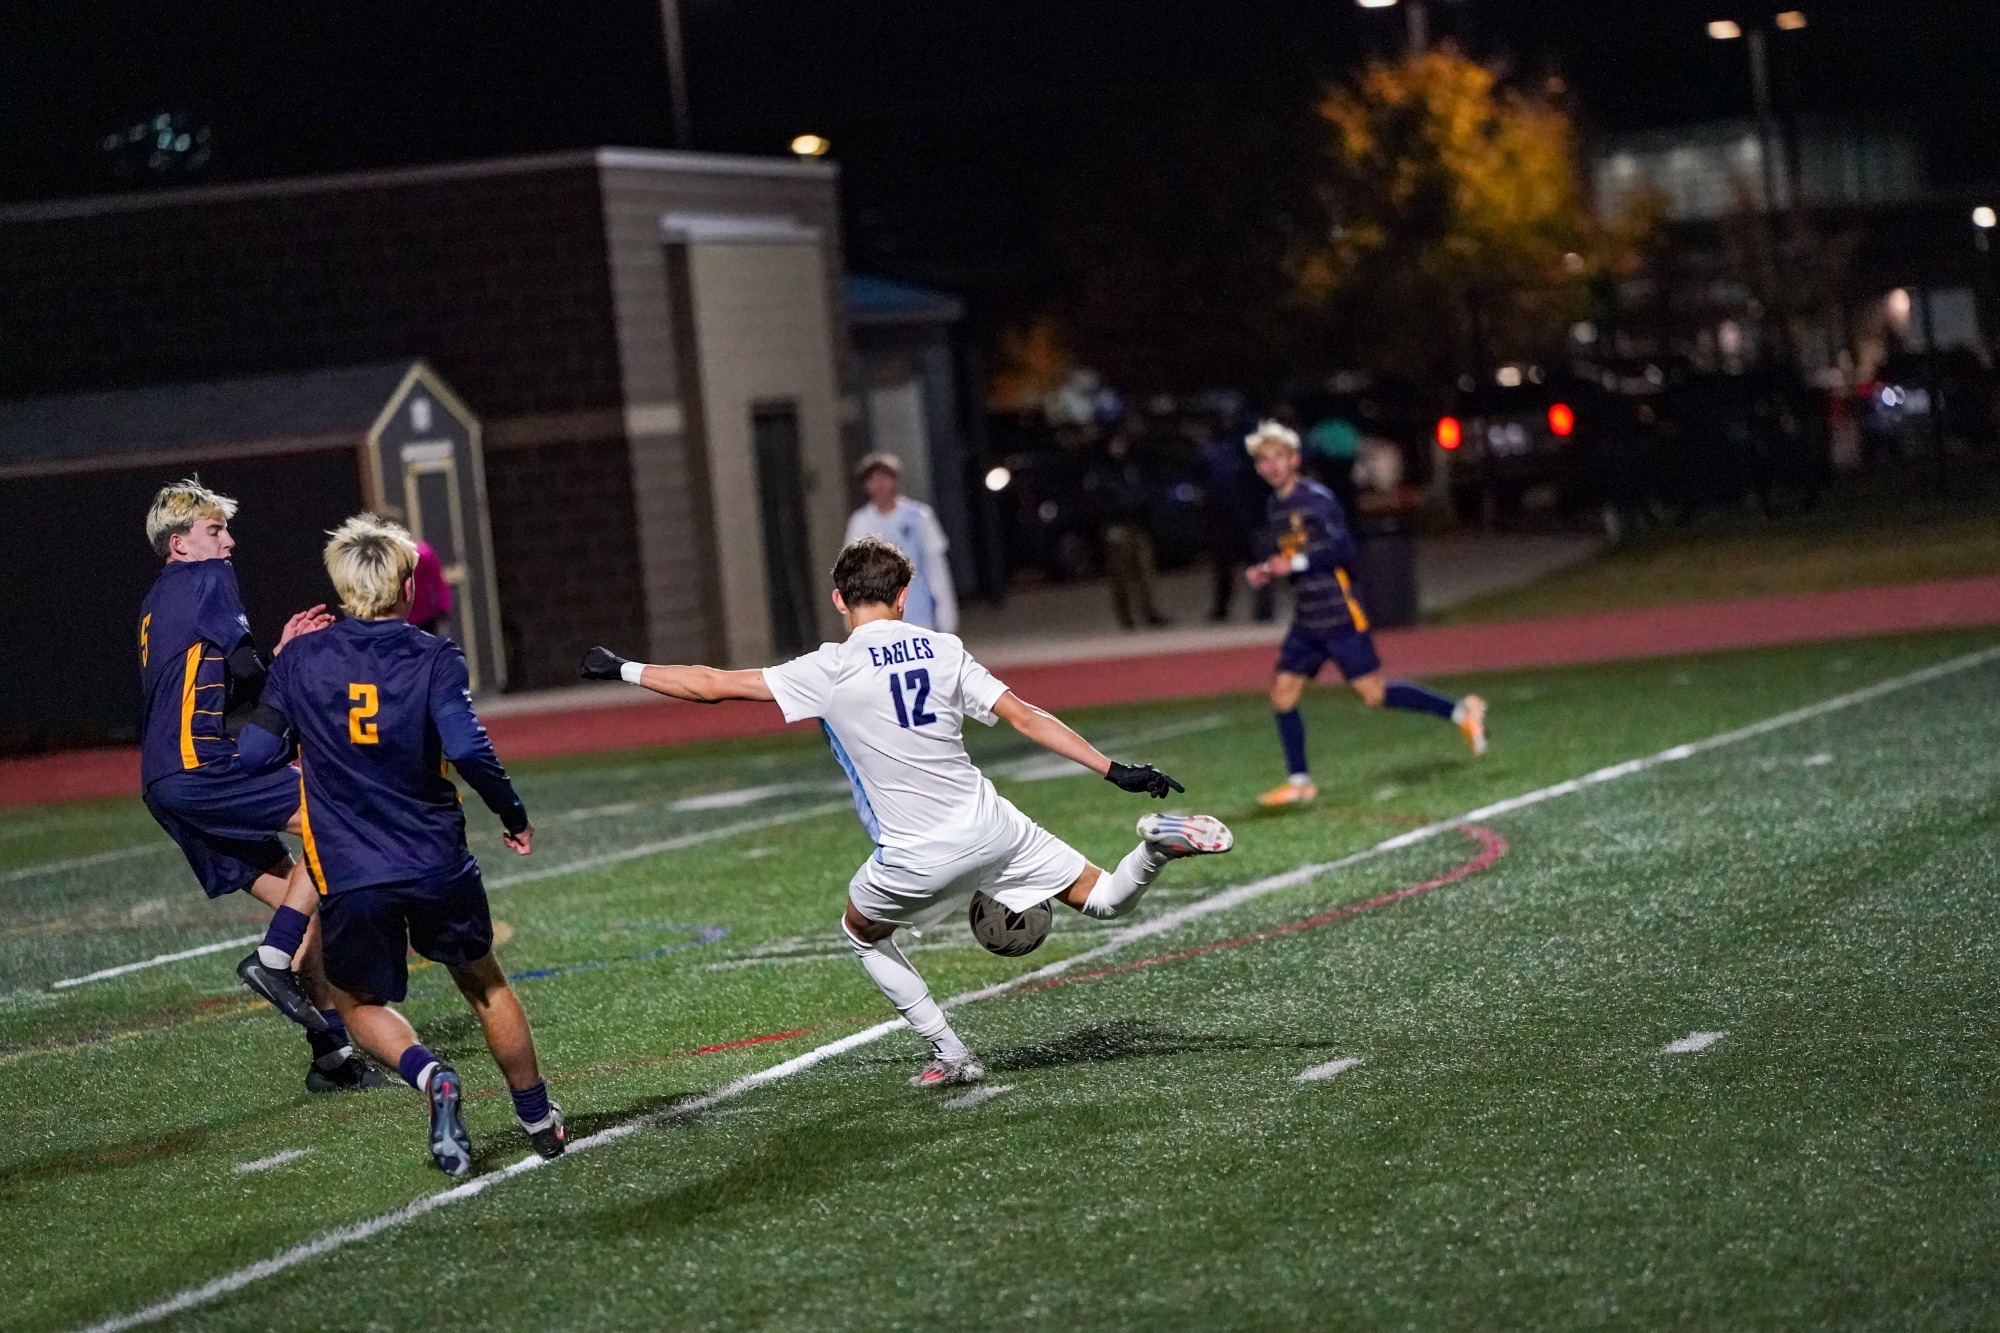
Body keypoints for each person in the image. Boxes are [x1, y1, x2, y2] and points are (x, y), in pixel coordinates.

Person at [580, 535, 1233, 1087]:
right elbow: (1026, 718)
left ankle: (951, 1053)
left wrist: (621, 668)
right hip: (994, 826)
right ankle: (1154, 845)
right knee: (1108, 899)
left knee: (860, 930)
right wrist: (1115, 769)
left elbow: (709, 684)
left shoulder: (829, 667)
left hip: (917, 852)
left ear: (839, 599)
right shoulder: (942, 649)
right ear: (903, 596)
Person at [247, 515, 560, 1175]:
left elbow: (254, 751)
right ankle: (537, 1117)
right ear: (407, 584)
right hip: (434, 856)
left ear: (339, 584)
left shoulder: (301, 658)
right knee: (485, 986)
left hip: (351, 869)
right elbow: (470, 747)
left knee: (357, 1002)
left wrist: (286, 689)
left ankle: (431, 1076)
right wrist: (512, 811)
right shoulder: (434, 656)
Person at [135, 478, 383, 1091]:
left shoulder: (157, 600)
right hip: (203, 766)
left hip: (165, 780)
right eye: (214, 531)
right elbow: (249, 676)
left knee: (307, 900)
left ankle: (332, 1058)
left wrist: (273, 651)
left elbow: (228, 677)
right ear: (180, 545)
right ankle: (272, 961)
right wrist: (294, 658)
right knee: (337, 817)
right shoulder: (207, 579)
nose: (229, 541)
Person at [1242, 421, 1487, 807]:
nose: (1270, 466)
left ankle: (1462, 710)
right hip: (1308, 618)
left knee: (1373, 695)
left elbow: (1343, 549)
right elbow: (1292, 558)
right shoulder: (1275, 506)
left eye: (1277, 457)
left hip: (1339, 613)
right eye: (1263, 460)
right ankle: (1300, 780)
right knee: (1282, 694)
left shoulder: (1317, 500)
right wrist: (1268, 569)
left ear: (1294, 460)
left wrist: (1297, 563)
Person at [843, 453, 958, 633]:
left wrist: (945, 612)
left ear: (895, 479)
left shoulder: (919, 516)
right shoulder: (860, 522)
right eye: (872, 478)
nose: (879, 484)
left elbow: (936, 567)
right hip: (878, 615)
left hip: (919, 609)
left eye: (884, 477)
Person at [1092, 426, 1169, 629]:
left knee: (1146, 573)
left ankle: (1150, 612)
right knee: (1121, 576)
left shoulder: (1132, 466)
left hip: (1138, 523)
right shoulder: (1103, 470)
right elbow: (1101, 501)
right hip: (1117, 527)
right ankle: (1126, 618)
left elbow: (1143, 492)